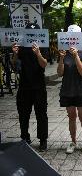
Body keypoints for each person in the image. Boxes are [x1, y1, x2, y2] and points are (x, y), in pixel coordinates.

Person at [11, 23, 48, 151]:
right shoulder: (21, 46)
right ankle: (25, 137)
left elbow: (44, 65)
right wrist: (15, 53)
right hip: (24, 86)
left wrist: (38, 53)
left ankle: (43, 140)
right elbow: (15, 66)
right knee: (23, 114)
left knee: (41, 114)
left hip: (39, 86)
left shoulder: (42, 44)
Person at [57, 25, 82, 154]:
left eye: (74, 37)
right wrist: (61, 58)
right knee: (71, 116)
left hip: (81, 89)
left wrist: (76, 55)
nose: (71, 39)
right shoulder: (63, 52)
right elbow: (60, 73)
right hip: (67, 89)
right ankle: (73, 141)